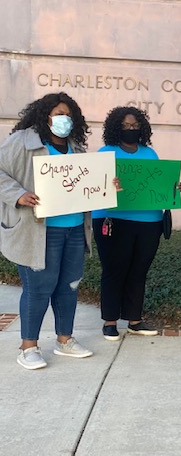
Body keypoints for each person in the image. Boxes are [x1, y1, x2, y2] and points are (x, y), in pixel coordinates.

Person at [0, 92, 94, 370]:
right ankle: (28, 346)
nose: (64, 119)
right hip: (39, 231)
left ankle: (65, 339)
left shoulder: (76, 148)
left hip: (74, 228)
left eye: (68, 115)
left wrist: (105, 185)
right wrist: (18, 195)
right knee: (38, 289)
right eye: (58, 114)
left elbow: (87, 185)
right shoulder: (23, 142)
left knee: (69, 287)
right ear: (44, 116)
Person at [92, 106, 165, 341]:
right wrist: (107, 184)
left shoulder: (150, 153)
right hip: (113, 219)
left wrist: (170, 187)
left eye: (135, 126)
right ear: (116, 127)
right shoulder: (105, 152)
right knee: (114, 270)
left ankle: (134, 320)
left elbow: (157, 183)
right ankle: (110, 321)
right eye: (125, 126)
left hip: (149, 220)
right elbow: (93, 187)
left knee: (138, 271)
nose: (131, 129)